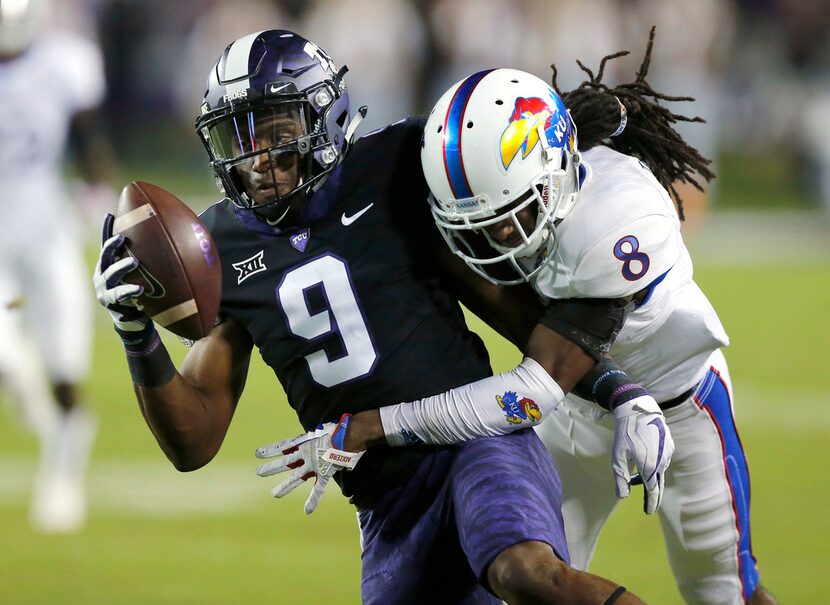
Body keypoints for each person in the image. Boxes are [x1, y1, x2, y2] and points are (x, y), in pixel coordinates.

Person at [93, 29, 656, 604]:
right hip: (386, 503)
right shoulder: (222, 244)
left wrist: (614, 385)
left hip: (476, 441)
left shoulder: (394, 167)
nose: (256, 158)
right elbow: (195, 441)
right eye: (238, 136)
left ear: (324, 118)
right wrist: (135, 331)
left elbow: (505, 306)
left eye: (277, 131)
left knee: (527, 573)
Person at [318, 31, 775, 605]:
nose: (497, 240)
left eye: (512, 216)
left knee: (724, 593)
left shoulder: (618, 224)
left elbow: (532, 391)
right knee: (536, 589)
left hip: (682, 408)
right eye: (477, 226)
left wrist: (378, 424)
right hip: (578, 412)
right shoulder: (518, 178)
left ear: (557, 175)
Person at [0, 0, 113, 532]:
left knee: (66, 367)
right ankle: (24, 385)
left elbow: (89, 141)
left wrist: (102, 200)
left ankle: (63, 476)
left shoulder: (65, 63)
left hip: (47, 227)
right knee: (4, 356)